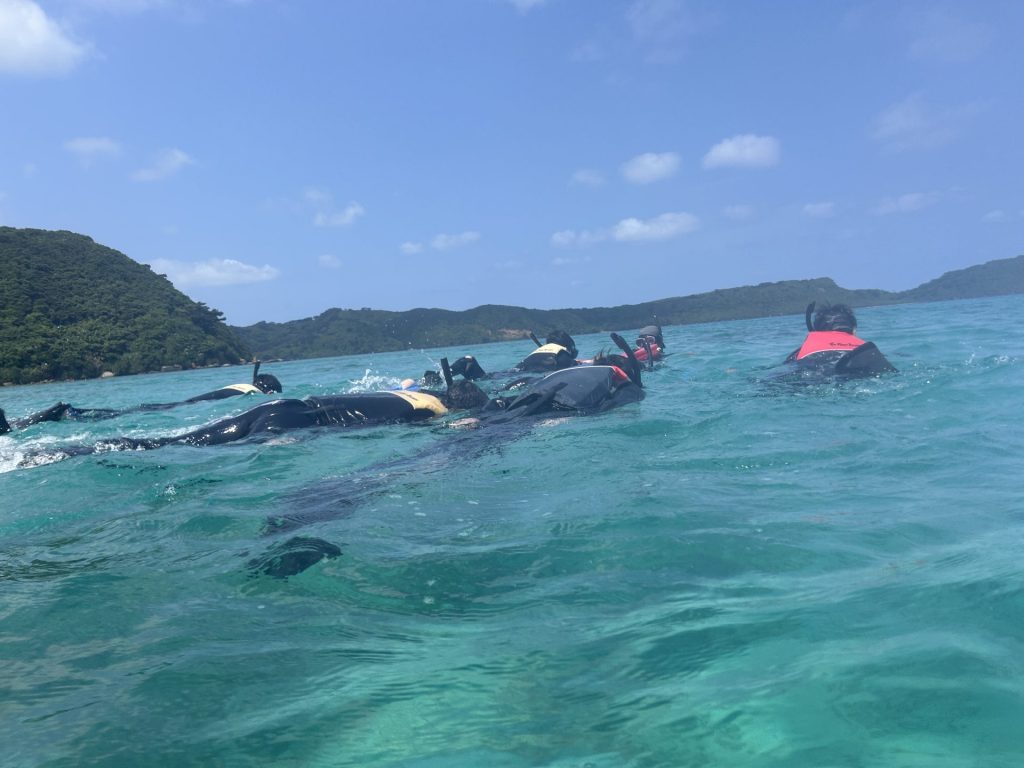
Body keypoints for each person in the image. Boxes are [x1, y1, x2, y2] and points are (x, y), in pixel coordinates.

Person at [0, 362, 282, 435]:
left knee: (123, 412)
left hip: (176, 405)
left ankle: (70, 412)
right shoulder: (252, 393)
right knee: (120, 415)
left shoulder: (241, 385)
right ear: (267, 390)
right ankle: (68, 412)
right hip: (178, 408)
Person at [782, 302, 896, 377]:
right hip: (858, 369)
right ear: (854, 330)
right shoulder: (864, 351)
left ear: (816, 332)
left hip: (816, 373)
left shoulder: (797, 354)